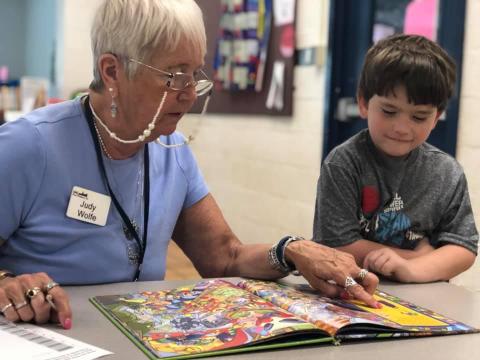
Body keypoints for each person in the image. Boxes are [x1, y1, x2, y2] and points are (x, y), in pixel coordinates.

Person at [0, 0, 380, 329]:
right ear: (112, 71)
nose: (189, 94)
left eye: (195, 74)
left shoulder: (171, 149)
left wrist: (292, 250)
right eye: (173, 75)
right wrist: (6, 283)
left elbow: (224, 257)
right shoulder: (29, 146)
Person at [314, 34, 478, 283]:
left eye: (419, 117)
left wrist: (410, 269)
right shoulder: (343, 162)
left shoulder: (447, 172)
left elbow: (463, 248)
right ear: (363, 103)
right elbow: (336, 246)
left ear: (436, 117)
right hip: (349, 290)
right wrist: (418, 256)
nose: (402, 128)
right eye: (389, 111)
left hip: (424, 294)